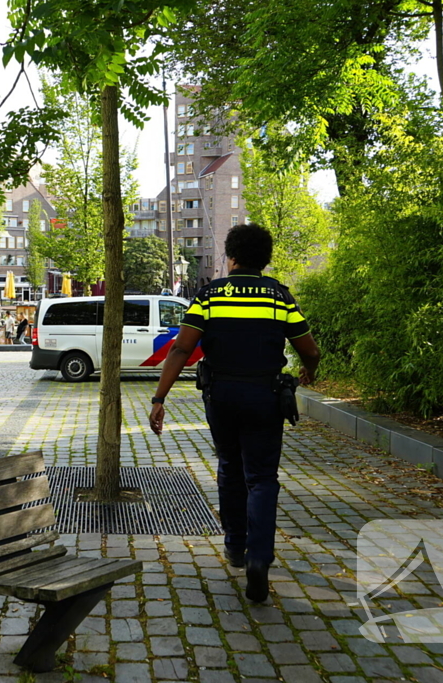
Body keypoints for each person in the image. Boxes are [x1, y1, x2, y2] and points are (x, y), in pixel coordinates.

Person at [147, 223, 321, 603]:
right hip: (265, 395)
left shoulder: (210, 295)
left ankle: (236, 547)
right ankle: (260, 559)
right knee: (261, 477)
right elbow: (309, 348)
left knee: (229, 466)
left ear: (232, 257)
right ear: (264, 259)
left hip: (221, 395)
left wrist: (159, 398)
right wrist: (311, 369)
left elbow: (181, 349)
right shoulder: (279, 295)